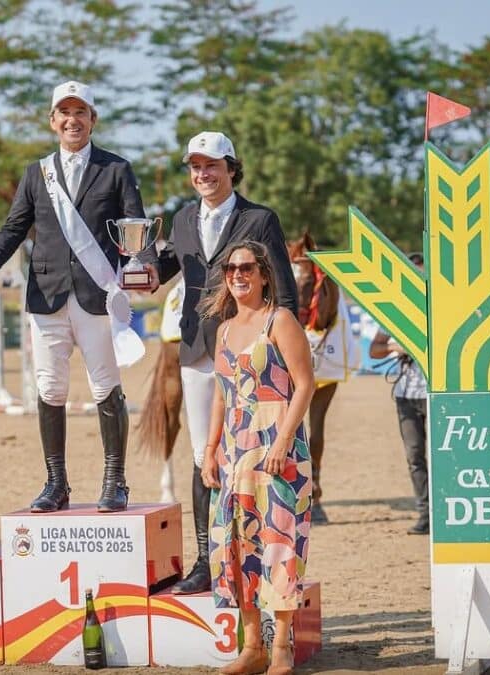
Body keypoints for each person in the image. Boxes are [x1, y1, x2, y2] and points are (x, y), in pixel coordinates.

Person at [144, 131, 298, 595]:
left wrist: (281, 350)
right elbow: (166, 268)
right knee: (203, 455)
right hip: (195, 348)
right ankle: (205, 560)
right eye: (195, 166)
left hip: (250, 351)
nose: (202, 174)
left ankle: (259, 558)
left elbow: (285, 288)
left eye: (212, 165)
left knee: (253, 453)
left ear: (232, 168)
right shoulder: (183, 218)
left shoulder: (260, 218)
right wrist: (139, 265)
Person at [0, 80, 146, 513]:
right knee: (49, 388)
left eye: (81, 112)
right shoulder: (37, 173)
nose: (72, 120)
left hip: (96, 294)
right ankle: (56, 482)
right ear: (53, 121)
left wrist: (138, 268)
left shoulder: (116, 169)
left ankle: (115, 480)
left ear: (92, 120)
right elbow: (15, 226)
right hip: (46, 295)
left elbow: (135, 227)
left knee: (105, 386)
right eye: (64, 113)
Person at [199, 241, 314, 675]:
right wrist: (210, 450)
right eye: (230, 268)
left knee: (280, 543)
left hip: (277, 447)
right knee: (236, 545)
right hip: (234, 452)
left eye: (246, 267)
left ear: (265, 274)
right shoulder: (224, 329)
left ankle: (281, 646)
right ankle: (252, 647)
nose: (237, 274)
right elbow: (220, 395)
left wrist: (283, 440)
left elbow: (304, 384)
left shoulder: (279, 320)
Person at [369, 251, 429, 535]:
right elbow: (375, 349)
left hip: (436, 392)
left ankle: (445, 511)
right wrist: (398, 348)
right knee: (414, 455)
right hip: (406, 393)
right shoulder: (394, 314)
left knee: (440, 456)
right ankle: (425, 513)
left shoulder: (438, 310)